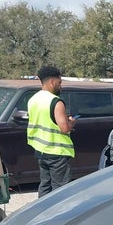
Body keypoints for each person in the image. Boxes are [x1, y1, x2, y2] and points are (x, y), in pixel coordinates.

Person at [27, 65, 76, 197]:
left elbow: (44, 120)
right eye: (60, 82)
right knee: (60, 190)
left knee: (45, 185)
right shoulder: (56, 102)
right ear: (52, 81)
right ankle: (59, 215)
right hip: (57, 152)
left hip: (41, 150)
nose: (61, 86)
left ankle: (41, 212)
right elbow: (64, 128)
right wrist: (71, 122)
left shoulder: (33, 100)